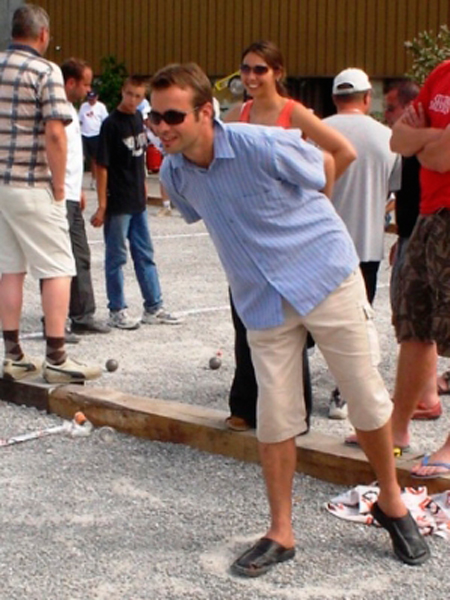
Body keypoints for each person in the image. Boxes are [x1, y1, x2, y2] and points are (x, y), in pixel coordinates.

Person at [149, 62, 430, 576]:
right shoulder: (174, 173)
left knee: (364, 395)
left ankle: (391, 502)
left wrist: (306, 226)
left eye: (172, 116)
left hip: (324, 276)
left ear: (205, 112)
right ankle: (281, 531)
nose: (161, 127)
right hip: (261, 299)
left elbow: (328, 166)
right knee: (275, 413)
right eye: (155, 117)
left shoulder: (261, 145)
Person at [223, 40, 356, 432]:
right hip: (249, 234)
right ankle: (245, 405)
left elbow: (342, 152)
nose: (251, 77)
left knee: (290, 323)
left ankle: (294, 415)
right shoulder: (237, 114)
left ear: (277, 72)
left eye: (260, 69)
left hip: (287, 235)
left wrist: (316, 197)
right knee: (246, 318)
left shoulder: (293, 112)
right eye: (246, 69)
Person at [0, 4, 101, 384]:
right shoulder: (45, 71)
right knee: (59, 266)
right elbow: (56, 132)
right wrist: (61, 185)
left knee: (11, 268)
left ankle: (13, 355)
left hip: (1, 183)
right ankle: (57, 356)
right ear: (43, 34)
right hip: (32, 181)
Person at [323, 68, 402, 419]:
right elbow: (394, 192)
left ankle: (291, 388)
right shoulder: (387, 137)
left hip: (319, 244)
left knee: (305, 319)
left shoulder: (318, 132)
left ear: (335, 98)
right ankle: (344, 393)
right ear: (368, 98)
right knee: (356, 323)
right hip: (365, 243)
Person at [390, 59, 450, 479]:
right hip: (429, 216)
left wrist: (423, 142)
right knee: (413, 325)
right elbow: (398, 139)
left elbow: (442, 158)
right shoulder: (441, 73)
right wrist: (433, 138)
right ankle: (397, 427)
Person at [91, 76, 181, 329]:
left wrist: (143, 187)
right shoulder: (111, 124)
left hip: (137, 200)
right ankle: (117, 309)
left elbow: (139, 159)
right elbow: (101, 165)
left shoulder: (138, 119)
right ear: (122, 91)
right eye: (129, 94)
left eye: (138, 96)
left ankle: (153, 306)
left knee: (145, 254)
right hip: (118, 201)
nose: (132, 100)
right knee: (116, 257)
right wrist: (102, 204)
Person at [58, 58, 111, 337]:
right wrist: (59, 188)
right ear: (71, 83)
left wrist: (77, 187)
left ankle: (82, 314)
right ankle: (55, 320)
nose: (89, 90)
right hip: (57, 195)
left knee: (80, 255)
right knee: (57, 259)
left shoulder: (71, 108)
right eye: (86, 84)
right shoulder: (55, 109)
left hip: (70, 193)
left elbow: (72, 156)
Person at [79, 90, 108, 190]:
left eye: (93, 98)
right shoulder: (83, 106)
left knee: (95, 159)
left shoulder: (101, 107)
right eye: (89, 98)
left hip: (96, 134)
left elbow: (105, 121)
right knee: (82, 157)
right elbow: (80, 120)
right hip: (84, 134)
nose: (91, 100)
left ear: (97, 97)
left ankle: (94, 180)